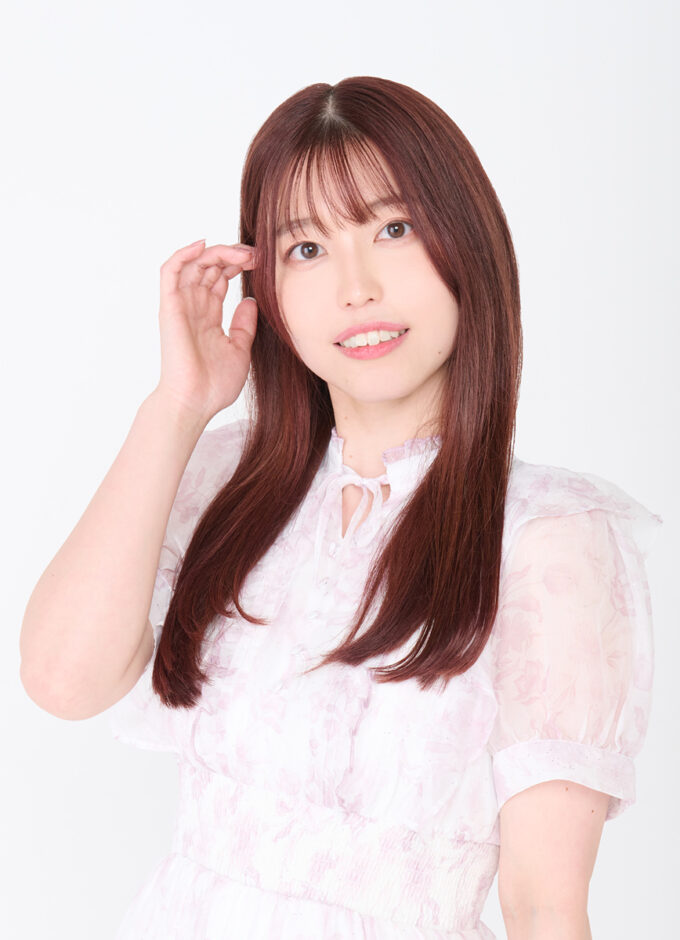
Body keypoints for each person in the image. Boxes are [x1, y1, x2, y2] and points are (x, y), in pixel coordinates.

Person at [20, 76, 663, 939]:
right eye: (307, 248)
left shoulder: (549, 538)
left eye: (393, 229)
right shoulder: (226, 482)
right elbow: (63, 682)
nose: (356, 288)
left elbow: (545, 906)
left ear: (466, 244)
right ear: (268, 288)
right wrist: (176, 408)